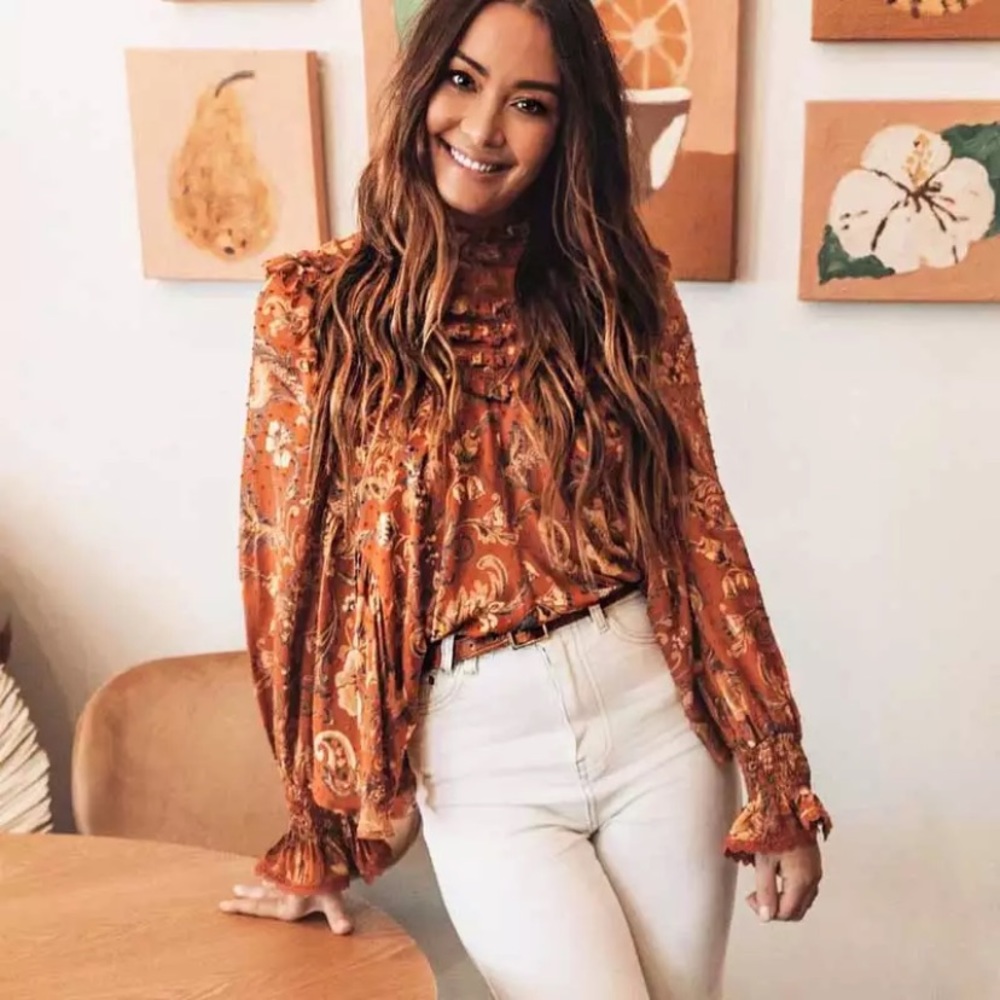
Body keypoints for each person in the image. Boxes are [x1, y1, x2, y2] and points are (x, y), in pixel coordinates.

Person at [221, 0, 832, 996]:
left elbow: (696, 522)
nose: (484, 127)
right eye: (462, 81)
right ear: (421, 81)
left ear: (567, 126)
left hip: (655, 718)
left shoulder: (622, 291)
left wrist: (775, 771)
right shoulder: (315, 307)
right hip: (480, 745)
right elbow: (292, 572)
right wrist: (320, 826)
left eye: (530, 102)